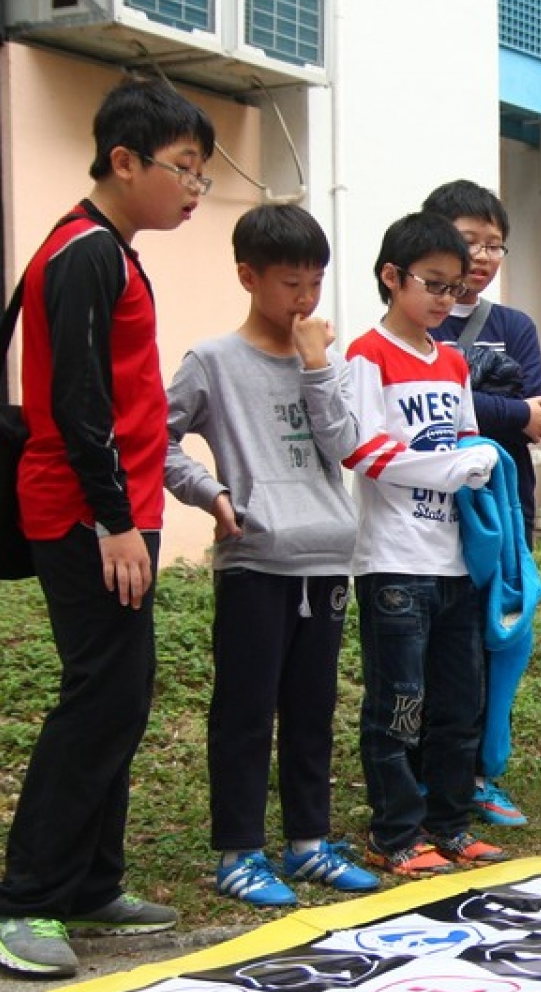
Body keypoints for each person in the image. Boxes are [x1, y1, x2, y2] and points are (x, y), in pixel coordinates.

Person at [0, 78, 215, 977]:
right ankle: (19, 903)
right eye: (183, 168)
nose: (195, 189)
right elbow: (76, 401)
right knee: (99, 696)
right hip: (83, 512)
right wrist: (113, 519)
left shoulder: (112, 249)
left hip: (118, 510)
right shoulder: (84, 252)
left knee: (122, 693)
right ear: (124, 161)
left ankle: (90, 882)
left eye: (201, 172)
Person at [163, 204, 381, 908]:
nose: (305, 298)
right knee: (246, 710)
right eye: (291, 283)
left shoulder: (325, 361)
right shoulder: (213, 362)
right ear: (248, 277)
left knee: (313, 709)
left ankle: (309, 843)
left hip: (327, 557)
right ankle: (239, 852)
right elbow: (155, 439)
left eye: (315, 282)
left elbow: (344, 445)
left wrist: (317, 369)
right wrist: (211, 493)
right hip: (256, 560)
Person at [343, 212, 505, 879]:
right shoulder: (367, 354)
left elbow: (468, 443)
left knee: (459, 705)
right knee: (399, 707)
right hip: (393, 561)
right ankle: (395, 833)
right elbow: (362, 449)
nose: (444, 299)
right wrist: (452, 466)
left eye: (454, 287)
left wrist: (474, 460)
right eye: (432, 284)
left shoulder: (453, 362)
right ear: (392, 276)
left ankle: (450, 823)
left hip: (454, 560)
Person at [422, 180, 541, 828]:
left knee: (501, 638)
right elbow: (503, 413)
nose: (484, 256)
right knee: (434, 649)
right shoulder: (414, 323)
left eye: (495, 244)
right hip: (426, 514)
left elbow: (537, 416)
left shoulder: (512, 326)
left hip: (503, 510)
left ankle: (481, 772)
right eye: (471, 241)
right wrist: (507, 409)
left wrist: (504, 410)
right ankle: (428, 771)